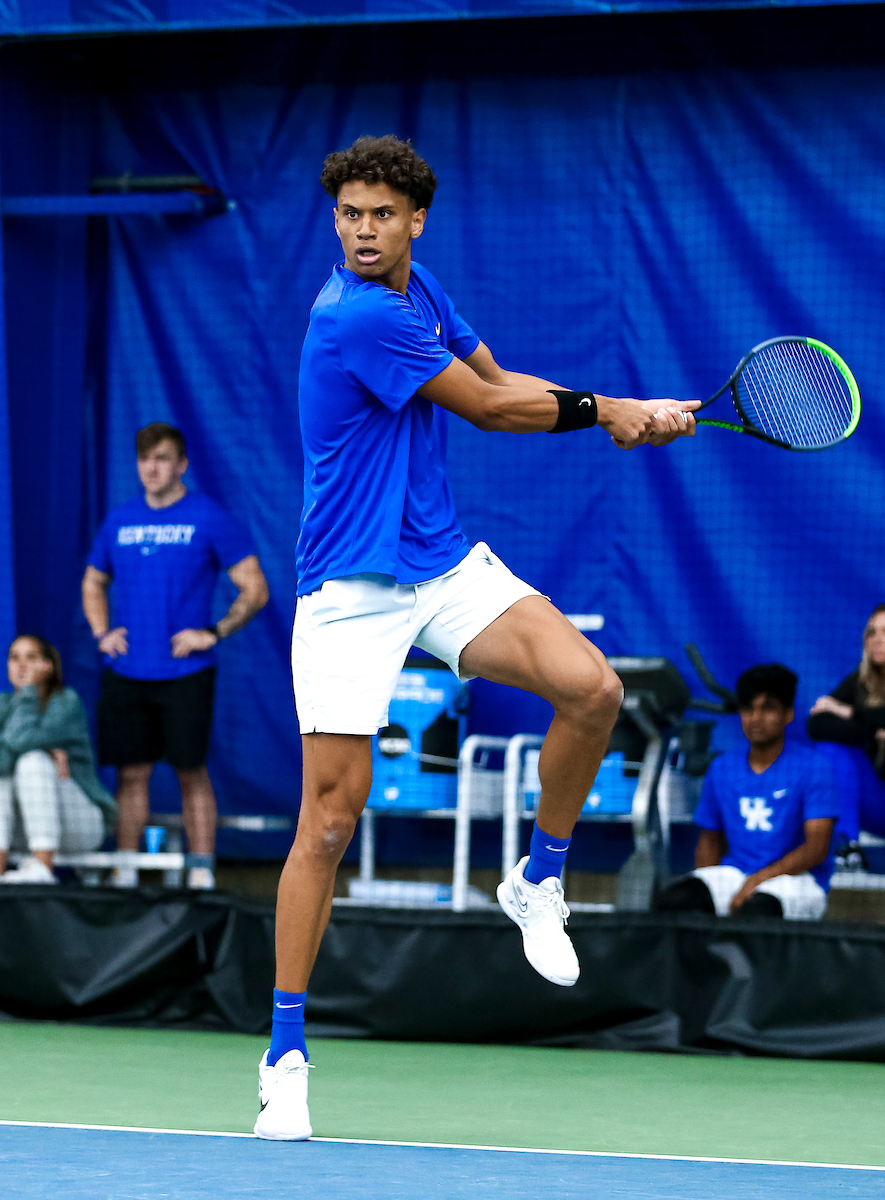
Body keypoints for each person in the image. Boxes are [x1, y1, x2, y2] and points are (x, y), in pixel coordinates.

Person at [253, 134, 698, 1141]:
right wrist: (607, 411)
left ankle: (537, 878)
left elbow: (499, 372)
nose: (362, 230)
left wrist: (630, 409)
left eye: (380, 215)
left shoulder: (420, 291)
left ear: (416, 222)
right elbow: (495, 412)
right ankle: (285, 1054)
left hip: (441, 566)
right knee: (327, 823)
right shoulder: (353, 315)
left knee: (592, 690)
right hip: (349, 593)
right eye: (348, 215)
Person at [82, 423, 268, 891]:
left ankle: (201, 867)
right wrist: (102, 632)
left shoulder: (207, 516)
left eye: (162, 458)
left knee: (191, 771)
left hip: (185, 671)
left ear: (182, 464)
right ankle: (126, 867)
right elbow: (93, 581)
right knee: (131, 773)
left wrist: (213, 631)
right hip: (127, 670)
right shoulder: (119, 521)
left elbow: (255, 586)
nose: (151, 467)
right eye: (144, 458)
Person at [656, 664, 838, 920]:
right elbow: (709, 839)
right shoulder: (722, 768)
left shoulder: (814, 767)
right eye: (748, 708)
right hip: (736, 873)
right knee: (678, 902)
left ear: (788, 714)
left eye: (768, 708)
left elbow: (817, 848)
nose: (755, 718)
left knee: (756, 912)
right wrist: (707, 896)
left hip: (797, 881)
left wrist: (758, 880)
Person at [0, 636, 115, 883]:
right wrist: (11, 752)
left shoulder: (66, 702)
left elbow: (22, 739)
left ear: (48, 666)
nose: (21, 665)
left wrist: (27, 694)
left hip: (80, 825)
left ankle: (43, 866)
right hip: (23, 828)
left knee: (32, 761)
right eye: (14, 658)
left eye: (31, 658)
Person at [807, 603, 885, 847]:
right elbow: (818, 724)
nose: (877, 640)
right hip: (877, 805)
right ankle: (847, 846)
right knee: (832, 750)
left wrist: (847, 712)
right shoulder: (860, 682)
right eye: (872, 632)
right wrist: (873, 732)